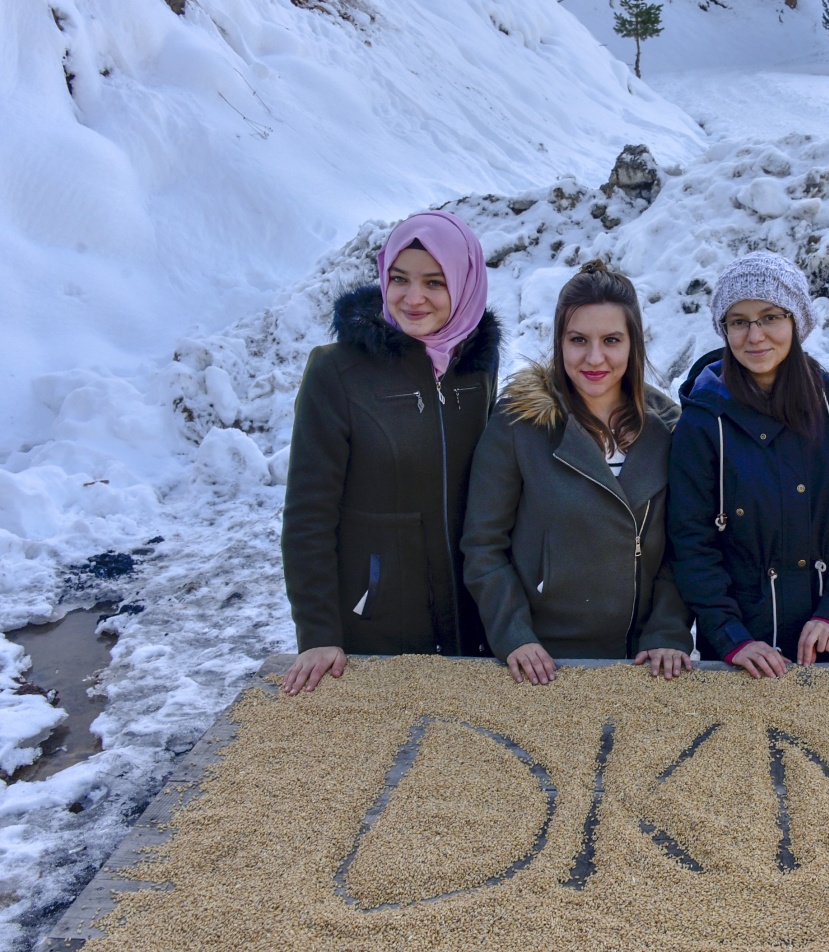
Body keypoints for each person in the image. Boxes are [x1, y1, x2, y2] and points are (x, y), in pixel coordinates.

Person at [280, 211, 503, 695]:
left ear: (464, 285)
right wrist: (318, 634)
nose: (412, 297)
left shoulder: (477, 367)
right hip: (375, 627)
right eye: (399, 279)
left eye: (434, 281)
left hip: (472, 625)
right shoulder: (337, 373)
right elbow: (307, 515)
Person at [461, 260, 693, 685]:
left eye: (611, 340)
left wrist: (666, 631)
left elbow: (685, 549)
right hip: (540, 662)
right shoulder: (519, 424)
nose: (594, 358)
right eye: (578, 340)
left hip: (641, 660)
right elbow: (483, 546)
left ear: (633, 345)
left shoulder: (671, 431)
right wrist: (514, 636)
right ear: (559, 342)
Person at [668, 251, 829, 678]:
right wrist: (731, 636)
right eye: (739, 321)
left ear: (797, 322)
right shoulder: (702, 420)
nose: (755, 336)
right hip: (739, 657)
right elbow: (690, 540)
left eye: (770, 317)